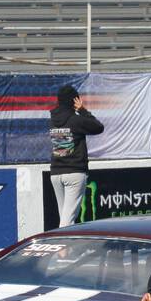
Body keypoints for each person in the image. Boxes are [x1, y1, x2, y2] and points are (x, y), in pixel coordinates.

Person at [49, 84, 105, 228]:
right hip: (74, 173)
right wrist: (82, 110)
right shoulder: (76, 120)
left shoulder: (52, 120)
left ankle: (65, 242)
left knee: (65, 218)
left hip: (56, 173)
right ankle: (60, 242)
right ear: (74, 100)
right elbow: (98, 127)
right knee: (67, 221)